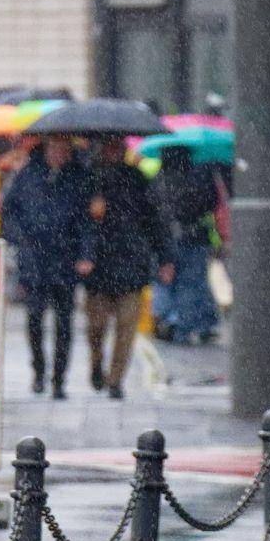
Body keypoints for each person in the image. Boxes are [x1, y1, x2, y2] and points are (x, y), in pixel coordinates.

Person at [78, 137, 173, 398]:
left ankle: (116, 379)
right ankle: (97, 362)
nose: (114, 151)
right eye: (109, 146)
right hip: (99, 267)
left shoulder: (139, 180)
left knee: (126, 328)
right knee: (95, 327)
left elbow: (156, 221)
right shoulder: (90, 179)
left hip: (132, 264)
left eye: (119, 147)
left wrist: (165, 257)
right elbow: (77, 223)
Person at [3, 134, 91, 399]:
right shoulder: (28, 176)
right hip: (34, 261)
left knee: (64, 323)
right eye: (54, 149)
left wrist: (85, 254)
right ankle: (39, 371)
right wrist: (21, 239)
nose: (59, 154)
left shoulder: (77, 179)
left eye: (64, 150)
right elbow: (9, 212)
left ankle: (59, 379)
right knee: (34, 319)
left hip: (65, 261)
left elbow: (86, 222)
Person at [152, 147, 221, 343]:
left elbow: (155, 209)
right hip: (195, 238)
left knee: (164, 281)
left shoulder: (159, 178)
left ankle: (166, 320)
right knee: (190, 284)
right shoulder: (198, 176)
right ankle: (183, 327)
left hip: (165, 238)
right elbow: (211, 202)